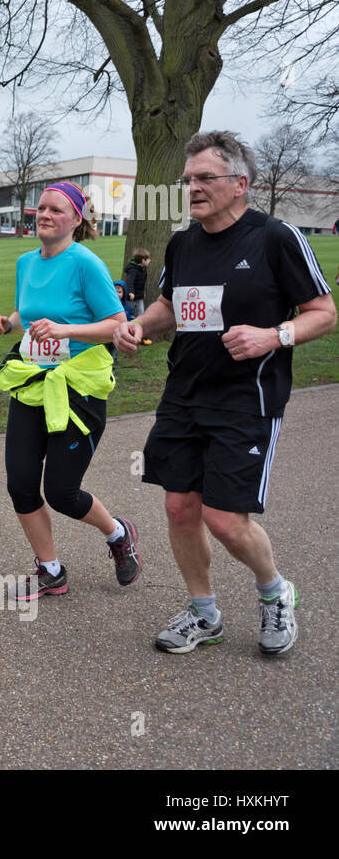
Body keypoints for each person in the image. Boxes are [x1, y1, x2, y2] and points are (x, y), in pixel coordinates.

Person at [115, 130, 336, 656]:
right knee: (178, 509)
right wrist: (137, 326)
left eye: (204, 178)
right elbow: (170, 307)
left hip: (247, 399)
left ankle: (274, 592)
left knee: (224, 518)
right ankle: (204, 614)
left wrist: (272, 336)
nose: (192, 187)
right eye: (187, 179)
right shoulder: (183, 242)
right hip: (184, 394)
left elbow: (324, 314)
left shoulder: (276, 238)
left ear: (240, 184)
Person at [0, 181, 139, 600]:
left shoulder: (85, 264)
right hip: (33, 382)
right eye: (41, 209)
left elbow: (116, 324)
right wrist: (8, 323)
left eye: (56, 209)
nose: (45, 215)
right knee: (20, 484)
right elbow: (28, 311)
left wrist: (65, 329)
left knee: (62, 493)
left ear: (76, 218)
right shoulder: (24, 263)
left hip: (78, 388)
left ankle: (119, 533)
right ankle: (50, 570)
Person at [123, 247, 151, 318]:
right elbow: (129, 282)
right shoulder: (133, 270)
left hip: (139, 297)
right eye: (148, 259)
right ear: (143, 260)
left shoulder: (143, 269)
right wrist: (131, 292)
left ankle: (140, 326)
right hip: (131, 297)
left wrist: (142, 293)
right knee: (130, 313)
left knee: (141, 313)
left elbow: (142, 283)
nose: (149, 260)